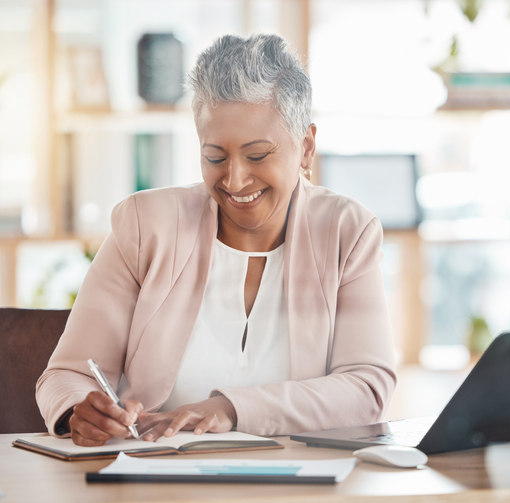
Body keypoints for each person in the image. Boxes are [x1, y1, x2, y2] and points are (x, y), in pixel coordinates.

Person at [36, 34, 396, 446]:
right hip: (154, 475)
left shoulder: (346, 232)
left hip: (300, 480)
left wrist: (229, 409)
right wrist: (81, 410)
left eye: (257, 155)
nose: (234, 179)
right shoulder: (144, 226)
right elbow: (67, 375)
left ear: (306, 147)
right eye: (215, 157)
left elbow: (367, 388)